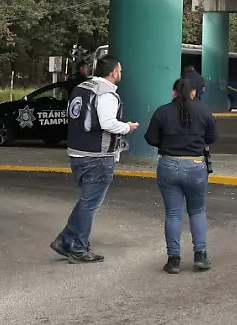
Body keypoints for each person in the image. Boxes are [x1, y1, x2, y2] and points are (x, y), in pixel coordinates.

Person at [50, 55, 138, 264]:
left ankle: (65, 240)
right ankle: (79, 249)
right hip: (97, 157)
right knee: (90, 205)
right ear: (113, 72)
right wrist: (127, 127)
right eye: (120, 70)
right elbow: (107, 123)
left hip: (77, 153)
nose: (121, 73)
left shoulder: (82, 88)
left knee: (86, 202)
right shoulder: (106, 94)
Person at [145, 77, 219, 274]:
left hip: (168, 164)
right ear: (193, 93)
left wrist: (166, 143)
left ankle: (174, 260)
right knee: (197, 211)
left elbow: (150, 137)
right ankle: (200, 255)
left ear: (173, 93)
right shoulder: (204, 111)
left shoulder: (162, 112)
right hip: (195, 164)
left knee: (173, 213)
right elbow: (212, 136)